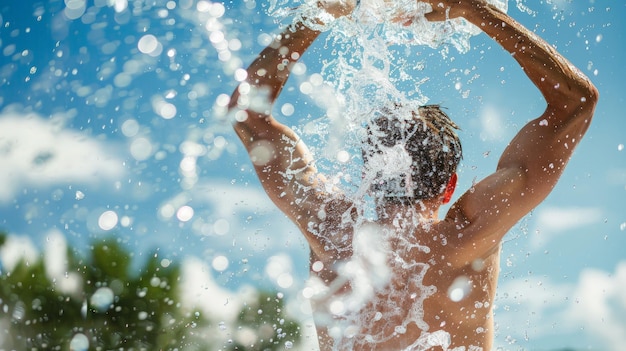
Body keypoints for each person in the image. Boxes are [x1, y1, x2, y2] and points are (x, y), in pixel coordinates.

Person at [228, 0, 598, 350]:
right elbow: (575, 101)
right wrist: (473, 8)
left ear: (370, 176)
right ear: (450, 186)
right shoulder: (469, 234)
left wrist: (321, 12)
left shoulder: (332, 230)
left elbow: (247, 113)